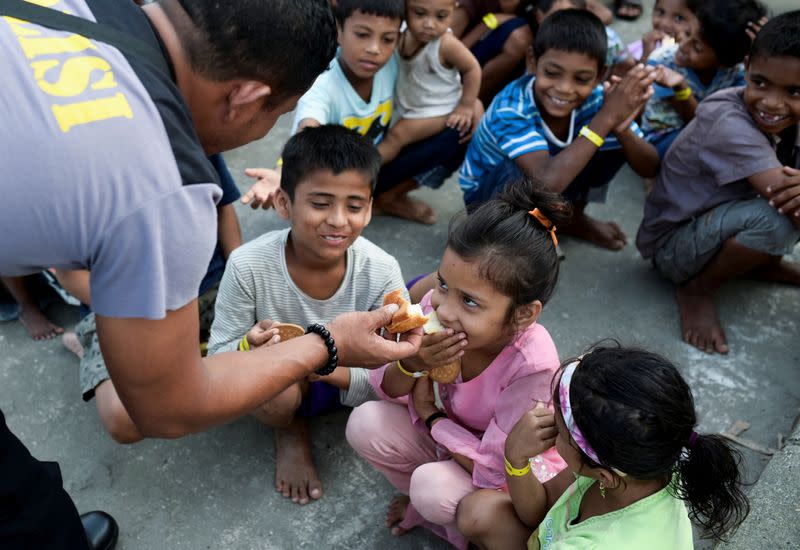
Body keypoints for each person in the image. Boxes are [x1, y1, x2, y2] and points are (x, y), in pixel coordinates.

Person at [0, 0, 420, 547]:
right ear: (247, 97)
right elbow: (167, 408)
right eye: (278, 114)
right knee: (26, 508)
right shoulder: (165, 185)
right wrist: (328, 343)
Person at [347, 179, 568, 550]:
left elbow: (500, 465)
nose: (443, 309)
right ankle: (433, 510)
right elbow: (384, 389)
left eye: (470, 302)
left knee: (431, 488)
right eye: (445, 285)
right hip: (454, 441)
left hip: (506, 473)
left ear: (524, 315)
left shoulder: (533, 367)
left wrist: (432, 417)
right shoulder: (438, 306)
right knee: (365, 423)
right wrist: (411, 363)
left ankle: (458, 524)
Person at [207, 125, 408, 505]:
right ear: (284, 203)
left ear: (369, 207)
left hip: (348, 383)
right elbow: (217, 361)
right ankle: (289, 430)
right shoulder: (247, 265)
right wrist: (250, 344)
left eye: (354, 205)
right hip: (276, 390)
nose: (337, 220)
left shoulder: (381, 270)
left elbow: (396, 376)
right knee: (281, 393)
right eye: (320, 203)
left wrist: (325, 362)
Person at [456, 345, 751, 549]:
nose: (546, 423)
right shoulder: (644, 463)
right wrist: (515, 457)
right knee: (477, 511)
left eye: (559, 430)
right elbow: (540, 510)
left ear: (604, 477)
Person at [636, 10, 800, 354]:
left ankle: (761, 262)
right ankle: (696, 289)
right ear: (747, 68)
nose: (771, 102)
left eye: (795, 91)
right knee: (781, 217)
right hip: (674, 247)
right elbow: (790, 205)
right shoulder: (728, 121)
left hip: (721, 216)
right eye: (760, 82)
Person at [54, 152, 243, 444]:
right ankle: (91, 348)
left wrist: (239, 273)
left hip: (209, 287)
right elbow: (70, 274)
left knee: (270, 346)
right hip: (122, 312)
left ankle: (185, 358)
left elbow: (223, 209)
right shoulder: (74, 176)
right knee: (123, 418)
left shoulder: (190, 137)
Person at [242, 0, 469, 225]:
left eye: (387, 39)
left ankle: (386, 197)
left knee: (458, 130)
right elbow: (306, 131)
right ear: (339, 31)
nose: (374, 49)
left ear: (399, 39)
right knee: (319, 181)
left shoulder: (394, 61)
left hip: (377, 161)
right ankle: (355, 200)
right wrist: (282, 172)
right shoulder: (322, 87)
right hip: (337, 175)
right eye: (362, 34)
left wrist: (469, 104)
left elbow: (445, 81)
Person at [459, 10, 659, 250]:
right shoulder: (511, 107)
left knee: (610, 140)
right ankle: (506, 239)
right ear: (532, 61)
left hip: (549, 178)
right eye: (552, 73)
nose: (564, 88)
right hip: (486, 200)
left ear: (600, 75)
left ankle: (571, 218)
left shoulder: (597, 100)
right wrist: (606, 118)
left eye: (582, 79)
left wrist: (621, 127)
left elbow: (651, 167)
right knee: (527, 169)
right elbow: (545, 183)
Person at [642, 0, 766, 157]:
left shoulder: (736, 71)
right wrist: (682, 89)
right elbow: (694, 122)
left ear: (724, 63)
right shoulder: (662, 63)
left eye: (697, 47)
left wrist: (761, 54)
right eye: (687, 33)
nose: (683, 46)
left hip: (707, 130)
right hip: (664, 136)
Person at [377, 0, 481, 164]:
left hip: (439, 108)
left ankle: (360, 172)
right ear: (405, 8)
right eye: (419, 13)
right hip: (408, 101)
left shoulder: (446, 44)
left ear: (453, 12)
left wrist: (466, 105)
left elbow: (472, 69)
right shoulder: (400, 31)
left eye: (441, 16)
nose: (430, 24)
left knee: (397, 136)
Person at [627, 0, 694, 63]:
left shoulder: (692, 55)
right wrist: (646, 55)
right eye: (661, 12)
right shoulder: (646, 44)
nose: (664, 23)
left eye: (679, 18)